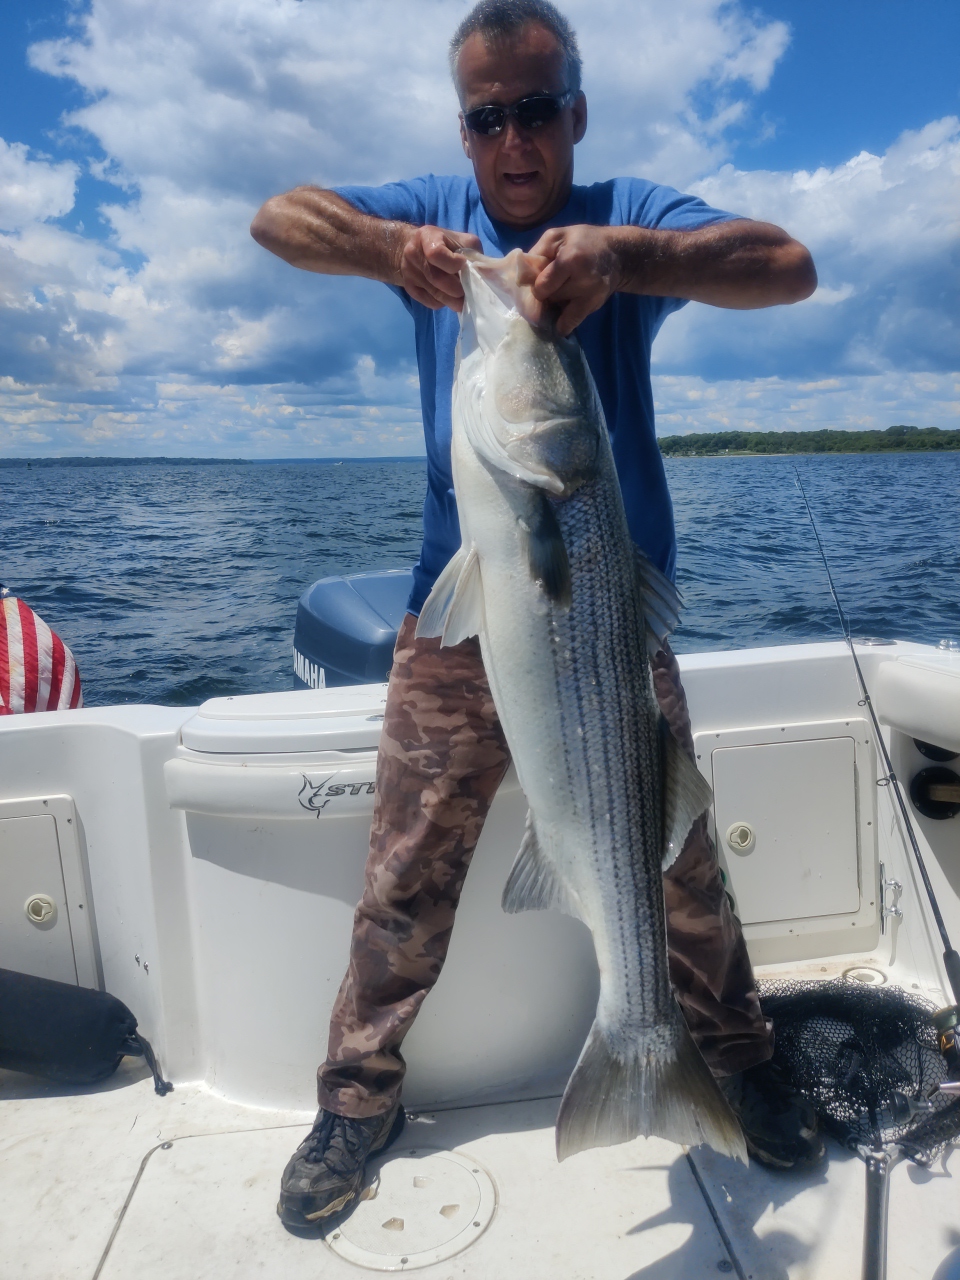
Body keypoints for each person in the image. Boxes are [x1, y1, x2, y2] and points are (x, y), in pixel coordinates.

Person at [251, 0, 821, 1230]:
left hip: (608, 618)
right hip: (451, 617)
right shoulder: (430, 216)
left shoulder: (625, 213)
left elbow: (787, 265)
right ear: (463, 129)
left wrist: (629, 261)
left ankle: (732, 1054)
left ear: (576, 110)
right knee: (404, 875)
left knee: (681, 865)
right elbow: (277, 216)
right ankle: (357, 1096)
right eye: (486, 115)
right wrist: (380, 251)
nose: (513, 138)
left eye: (537, 108)